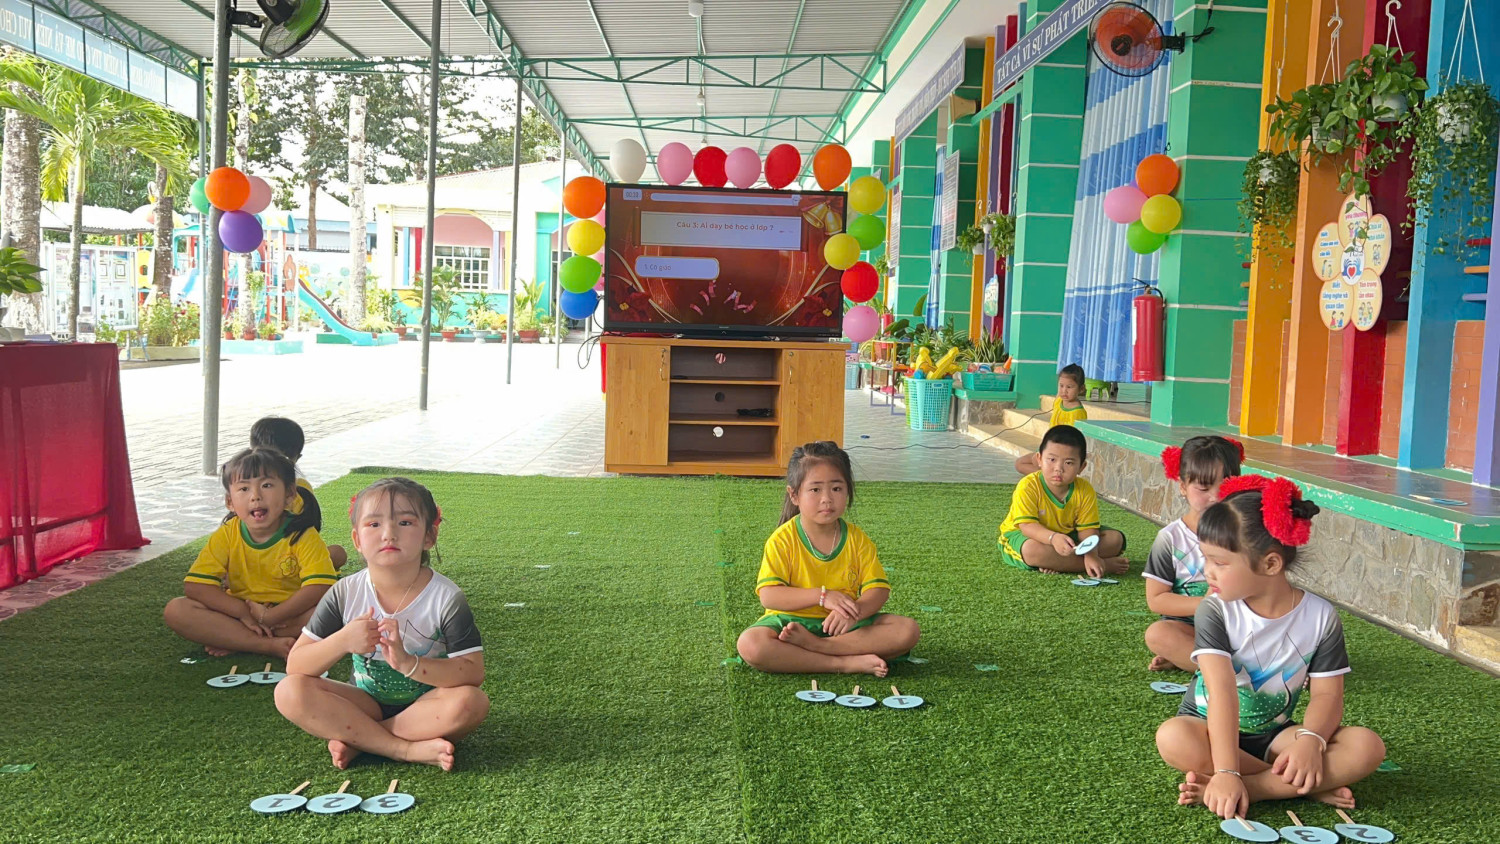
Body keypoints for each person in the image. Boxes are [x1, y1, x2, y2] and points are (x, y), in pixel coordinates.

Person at [1155, 475, 1385, 819]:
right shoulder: (1214, 610)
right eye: (1206, 559)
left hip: (1274, 735)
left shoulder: (1321, 617)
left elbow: (1327, 695)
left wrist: (1311, 741)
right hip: (1206, 729)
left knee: (1366, 746)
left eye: (1220, 563)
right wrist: (1226, 770)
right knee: (1172, 737)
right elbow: (1222, 693)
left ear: (1271, 564)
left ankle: (1258, 788)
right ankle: (1303, 784)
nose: (1207, 573)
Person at [275, 477, 489, 772]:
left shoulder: (445, 597)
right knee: (289, 691)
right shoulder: (345, 592)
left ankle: (362, 740)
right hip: (364, 703)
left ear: (429, 535)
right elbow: (296, 665)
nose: (389, 534)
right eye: (374, 524)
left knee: (471, 702)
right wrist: (342, 641)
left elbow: (473, 672)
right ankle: (402, 748)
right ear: (357, 540)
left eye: (405, 522)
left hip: (427, 705)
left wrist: (409, 663)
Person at [735, 442, 920, 677]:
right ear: (794, 495)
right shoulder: (782, 540)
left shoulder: (857, 539)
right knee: (751, 644)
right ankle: (843, 663)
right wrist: (823, 597)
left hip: (845, 627)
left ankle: (819, 647)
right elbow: (769, 596)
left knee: (907, 630)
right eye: (815, 490)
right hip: (791, 625)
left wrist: (854, 612)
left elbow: (878, 590)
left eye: (836, 488)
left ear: (848, 491)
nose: (827, 499)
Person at [163, 447, 338, 659]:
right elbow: (196, 586)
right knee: (177, 610)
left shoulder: (303, 534)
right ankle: (266, 644)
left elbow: (320, 586)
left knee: (338, 607)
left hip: (290, 615)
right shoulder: (227, 534)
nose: (255, 496)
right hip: (240, 615)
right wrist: (243, 613)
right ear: (230, 502)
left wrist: (271, 616)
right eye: (244, 489)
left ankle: (238, 639)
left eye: (266, 485)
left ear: (289, 495)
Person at [1144, 436, 1244, 672]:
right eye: (1204, 488)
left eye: (1225, 486)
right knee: (1158, 634)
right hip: (1193, 629)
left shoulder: (1246, 532)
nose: (1216, 496)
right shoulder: (1170, 538)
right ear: (1182, 486)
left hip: (1241, 626)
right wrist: (1206, 603)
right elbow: (1156, 599)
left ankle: (1196, 662)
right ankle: (1231, 671)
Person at [998, 424, 1127, 577]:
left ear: (1082, 467)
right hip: (1027, 536)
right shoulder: (1028, 485)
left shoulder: (1085, 489)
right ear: (1039, 459)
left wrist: (1091, 554)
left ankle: (1058, 562)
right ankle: (1102, 564)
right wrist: (1053, 538)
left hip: (1068, 536)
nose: (1058, 468)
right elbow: (1027, 526)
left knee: (1114, 539)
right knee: (1032, 551)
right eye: (1052, 459)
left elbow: (1087, 529)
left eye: (1069, 463)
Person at [250, 416, 347, 570]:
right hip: (294, 561)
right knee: (337, 553)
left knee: (337, 553)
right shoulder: (302, 487)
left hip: (264, 560)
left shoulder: (244, 489)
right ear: (296, 458)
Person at [1015, 364, 1088, 475]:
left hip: (1060, 455)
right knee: (1020, 463)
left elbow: (1072, 441)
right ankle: (1049, 475)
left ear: (1081, 389)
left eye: (1069, 387)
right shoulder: (1059, 401)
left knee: (1029, 464)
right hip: (1049, 448)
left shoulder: (1077, 413)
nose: (1064, 391)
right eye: (1061, 386)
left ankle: (1050, 475)